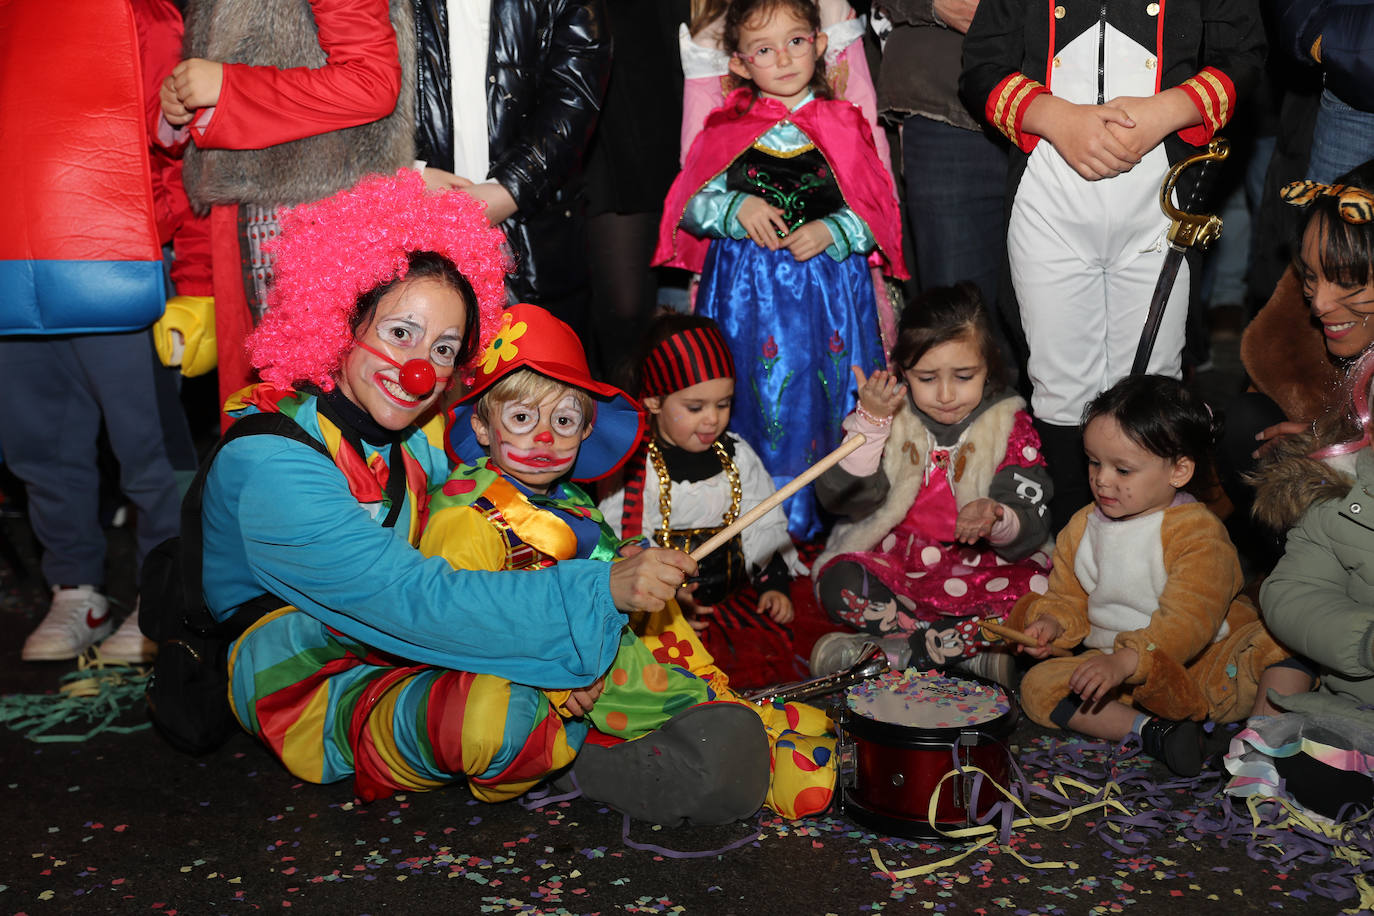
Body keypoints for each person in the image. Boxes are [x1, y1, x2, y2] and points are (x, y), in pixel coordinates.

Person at [201, 171, 779, 826]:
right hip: (309, 679)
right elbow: (408, 601)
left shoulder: (407, 434)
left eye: (444, 348)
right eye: (400, 333)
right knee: (495, 719)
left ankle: (616, 727)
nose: (421, 368)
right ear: (342, 316)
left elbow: (507, 497)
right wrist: (588, 607)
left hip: (407, 645)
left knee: (544, 644)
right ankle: (588, 753)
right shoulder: (270, 461)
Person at [429, 304, 836, 820]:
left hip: (620, 662)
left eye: (564, 420)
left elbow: (596, 567)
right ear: (484, 428)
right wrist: (549, 668)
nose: (546, 437)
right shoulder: (469, 515)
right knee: (706, 748)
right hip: (555, 691)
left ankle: (733, 719)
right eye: (522, 418)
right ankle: (727, 742)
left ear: (583, 432)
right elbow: (449, 625)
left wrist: (629, 563)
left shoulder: (571, 500)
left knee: (668, 635)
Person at [959, 1, 1266, 531]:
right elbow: (982, 65)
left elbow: (1243, 55)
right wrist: (1054, 117)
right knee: (1059, 382)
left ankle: (1152, 541)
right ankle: (1075, 540)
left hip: (1158, 210)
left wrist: (1163, 112)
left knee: (1153, 382)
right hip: (1048, 204)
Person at [653, 0, 907, 541]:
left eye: (796, 42)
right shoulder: (727, 127)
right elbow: (689, 206)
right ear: (741, 64)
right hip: (746, 296)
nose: (785, 59)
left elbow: (878, 213)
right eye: (765, 50)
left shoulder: (845, 123)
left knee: (824, 391)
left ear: (819, 45)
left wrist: (833, 230)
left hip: (830, 294)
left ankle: (831, 511)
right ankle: (753, 515)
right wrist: (733, 208)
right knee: (754, 394)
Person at [0, 0, 183, 663]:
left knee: (148, 448)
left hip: (117, 250)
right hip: (14, 255)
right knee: (38, 441)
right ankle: (77, 590)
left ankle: (166, 597)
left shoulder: (140, 13)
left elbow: (176, 134)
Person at [1008, 376, 1291, 777]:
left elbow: (1189, 620)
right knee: (1038, 687)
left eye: (1122, 469)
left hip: (1204, 663)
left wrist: (1128, 660)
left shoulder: (1196, 532)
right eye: (1094, 462)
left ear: (1178, 471)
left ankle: (1263, 746)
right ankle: (1151, 730)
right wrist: (1052, 624)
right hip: (1117, 672)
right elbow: (1068, 596)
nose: (1103, 479)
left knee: (1275, 645)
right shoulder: (1082, 526)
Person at [160, 0, 414, 424]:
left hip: (314, 213)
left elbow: (372, 82)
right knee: (262, 410)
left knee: (316, 412)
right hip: (242, 210)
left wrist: (227, 87)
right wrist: (180, 101)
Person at [806, 285, 1052, 686]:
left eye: (963, 376)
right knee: (840, 582)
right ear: (902, 371)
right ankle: (960, 653)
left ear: (988, 367)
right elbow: (837, 497)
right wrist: (869, 429)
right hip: (901, 560)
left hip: (983, 565)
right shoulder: (888, 415)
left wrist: (996, 516)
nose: (946, 394)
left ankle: (897, 653)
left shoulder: (1009, 423)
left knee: (1039, 596)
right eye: (926, 377)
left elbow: (1032, 519)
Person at [599, 314, 808, 684]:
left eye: (723, 404)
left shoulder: (738, 457)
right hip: (660, 611)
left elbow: (764, 524)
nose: (713, 419)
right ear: (653, 401)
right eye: (695, 407)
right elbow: (622, 544)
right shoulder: (635, 470)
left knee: (768, 663)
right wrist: (667, 602)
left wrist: (774, 584)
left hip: (734, 601)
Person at [1225, 345, 1374, 819]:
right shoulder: (1341, 504)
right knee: (1309, 770)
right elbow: (1292, 593)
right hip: (1360, 708)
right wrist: (1364, 638)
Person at [412, 0, 611, 348]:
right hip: (408, 217)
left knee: (530, 385)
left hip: (529, 228)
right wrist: (408, 175)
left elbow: (575, 94)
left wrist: (509, 190)